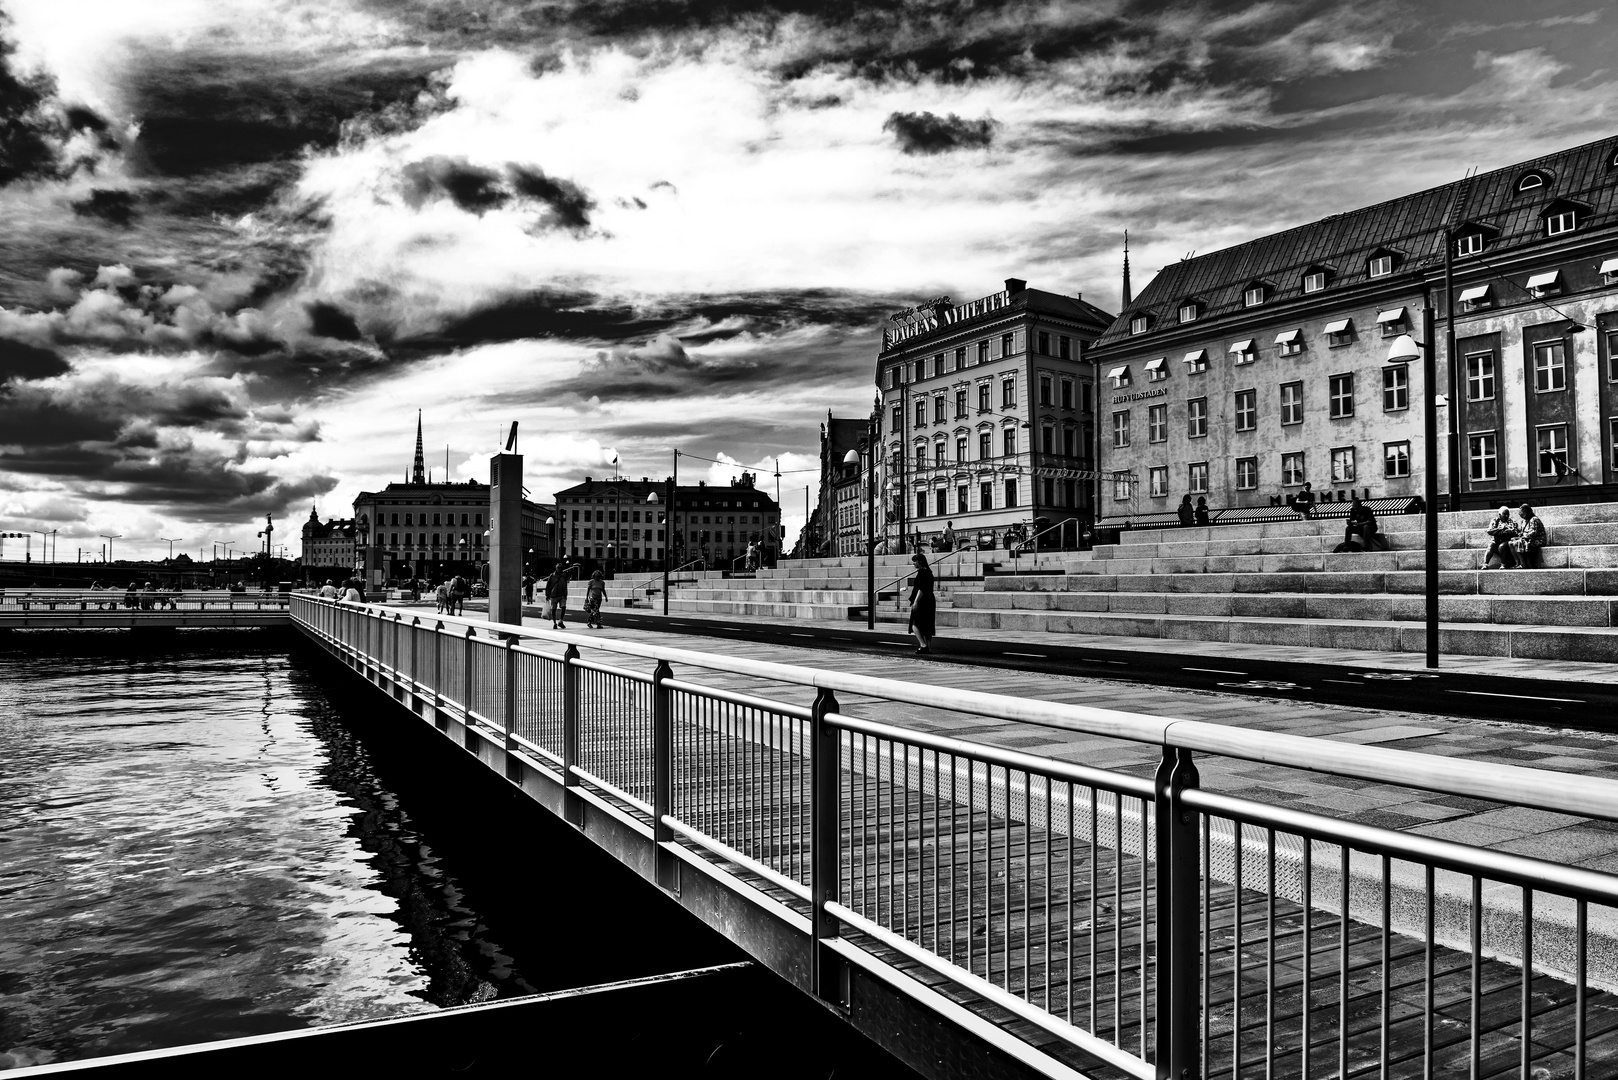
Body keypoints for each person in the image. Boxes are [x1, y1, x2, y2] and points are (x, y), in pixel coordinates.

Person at [906, 551, 936, 655]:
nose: (913, 563)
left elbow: (921, 589)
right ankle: (929, 647)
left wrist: (915, 602)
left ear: (920, 561)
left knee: (915, 623)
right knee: (927, 624)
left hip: (922, 601)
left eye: (915, 561)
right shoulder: (929, 572)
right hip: (930, 600)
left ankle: (923, 645)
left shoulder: (922, 573)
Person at [1504, 504, 1547, 569]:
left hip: (1537, 540)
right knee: (1510, 543)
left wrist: (1522, 537)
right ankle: (1517, 563)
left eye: (1521, 512)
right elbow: (1522, 532)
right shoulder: (1523, 521)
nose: (1519, 514)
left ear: (1526, 512)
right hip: (1527, 538)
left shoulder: (1534, 519)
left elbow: (1533, 532)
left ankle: (1523, 564)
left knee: (1517, 543)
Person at [1482, 504, 1517, 569]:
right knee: (1491, 545)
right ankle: (1485, 564)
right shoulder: (1495, 520)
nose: (1506, 516)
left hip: (1506, 540)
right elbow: (1489, 531)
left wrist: (1501, 531)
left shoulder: (1511, 521)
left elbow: (1514, 532)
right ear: (1499, 515)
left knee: (1502, 546)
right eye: (1504, 514)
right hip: (1496, 540)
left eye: (1507, 514)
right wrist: (1500, 529)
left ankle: (1503, 564)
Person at [546, 562, 570, 629]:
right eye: (558, 568)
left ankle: (561, 621)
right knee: (554, 609)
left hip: (562, 595)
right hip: (554, 595)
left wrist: (565, 594)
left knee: (563, 607)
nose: (560, 569)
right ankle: (554, 623)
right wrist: (547, 595)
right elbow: (548, 585)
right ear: (556, 568)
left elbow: (565, 585)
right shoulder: (552, 576)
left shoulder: (564, 575)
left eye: (561, 568)